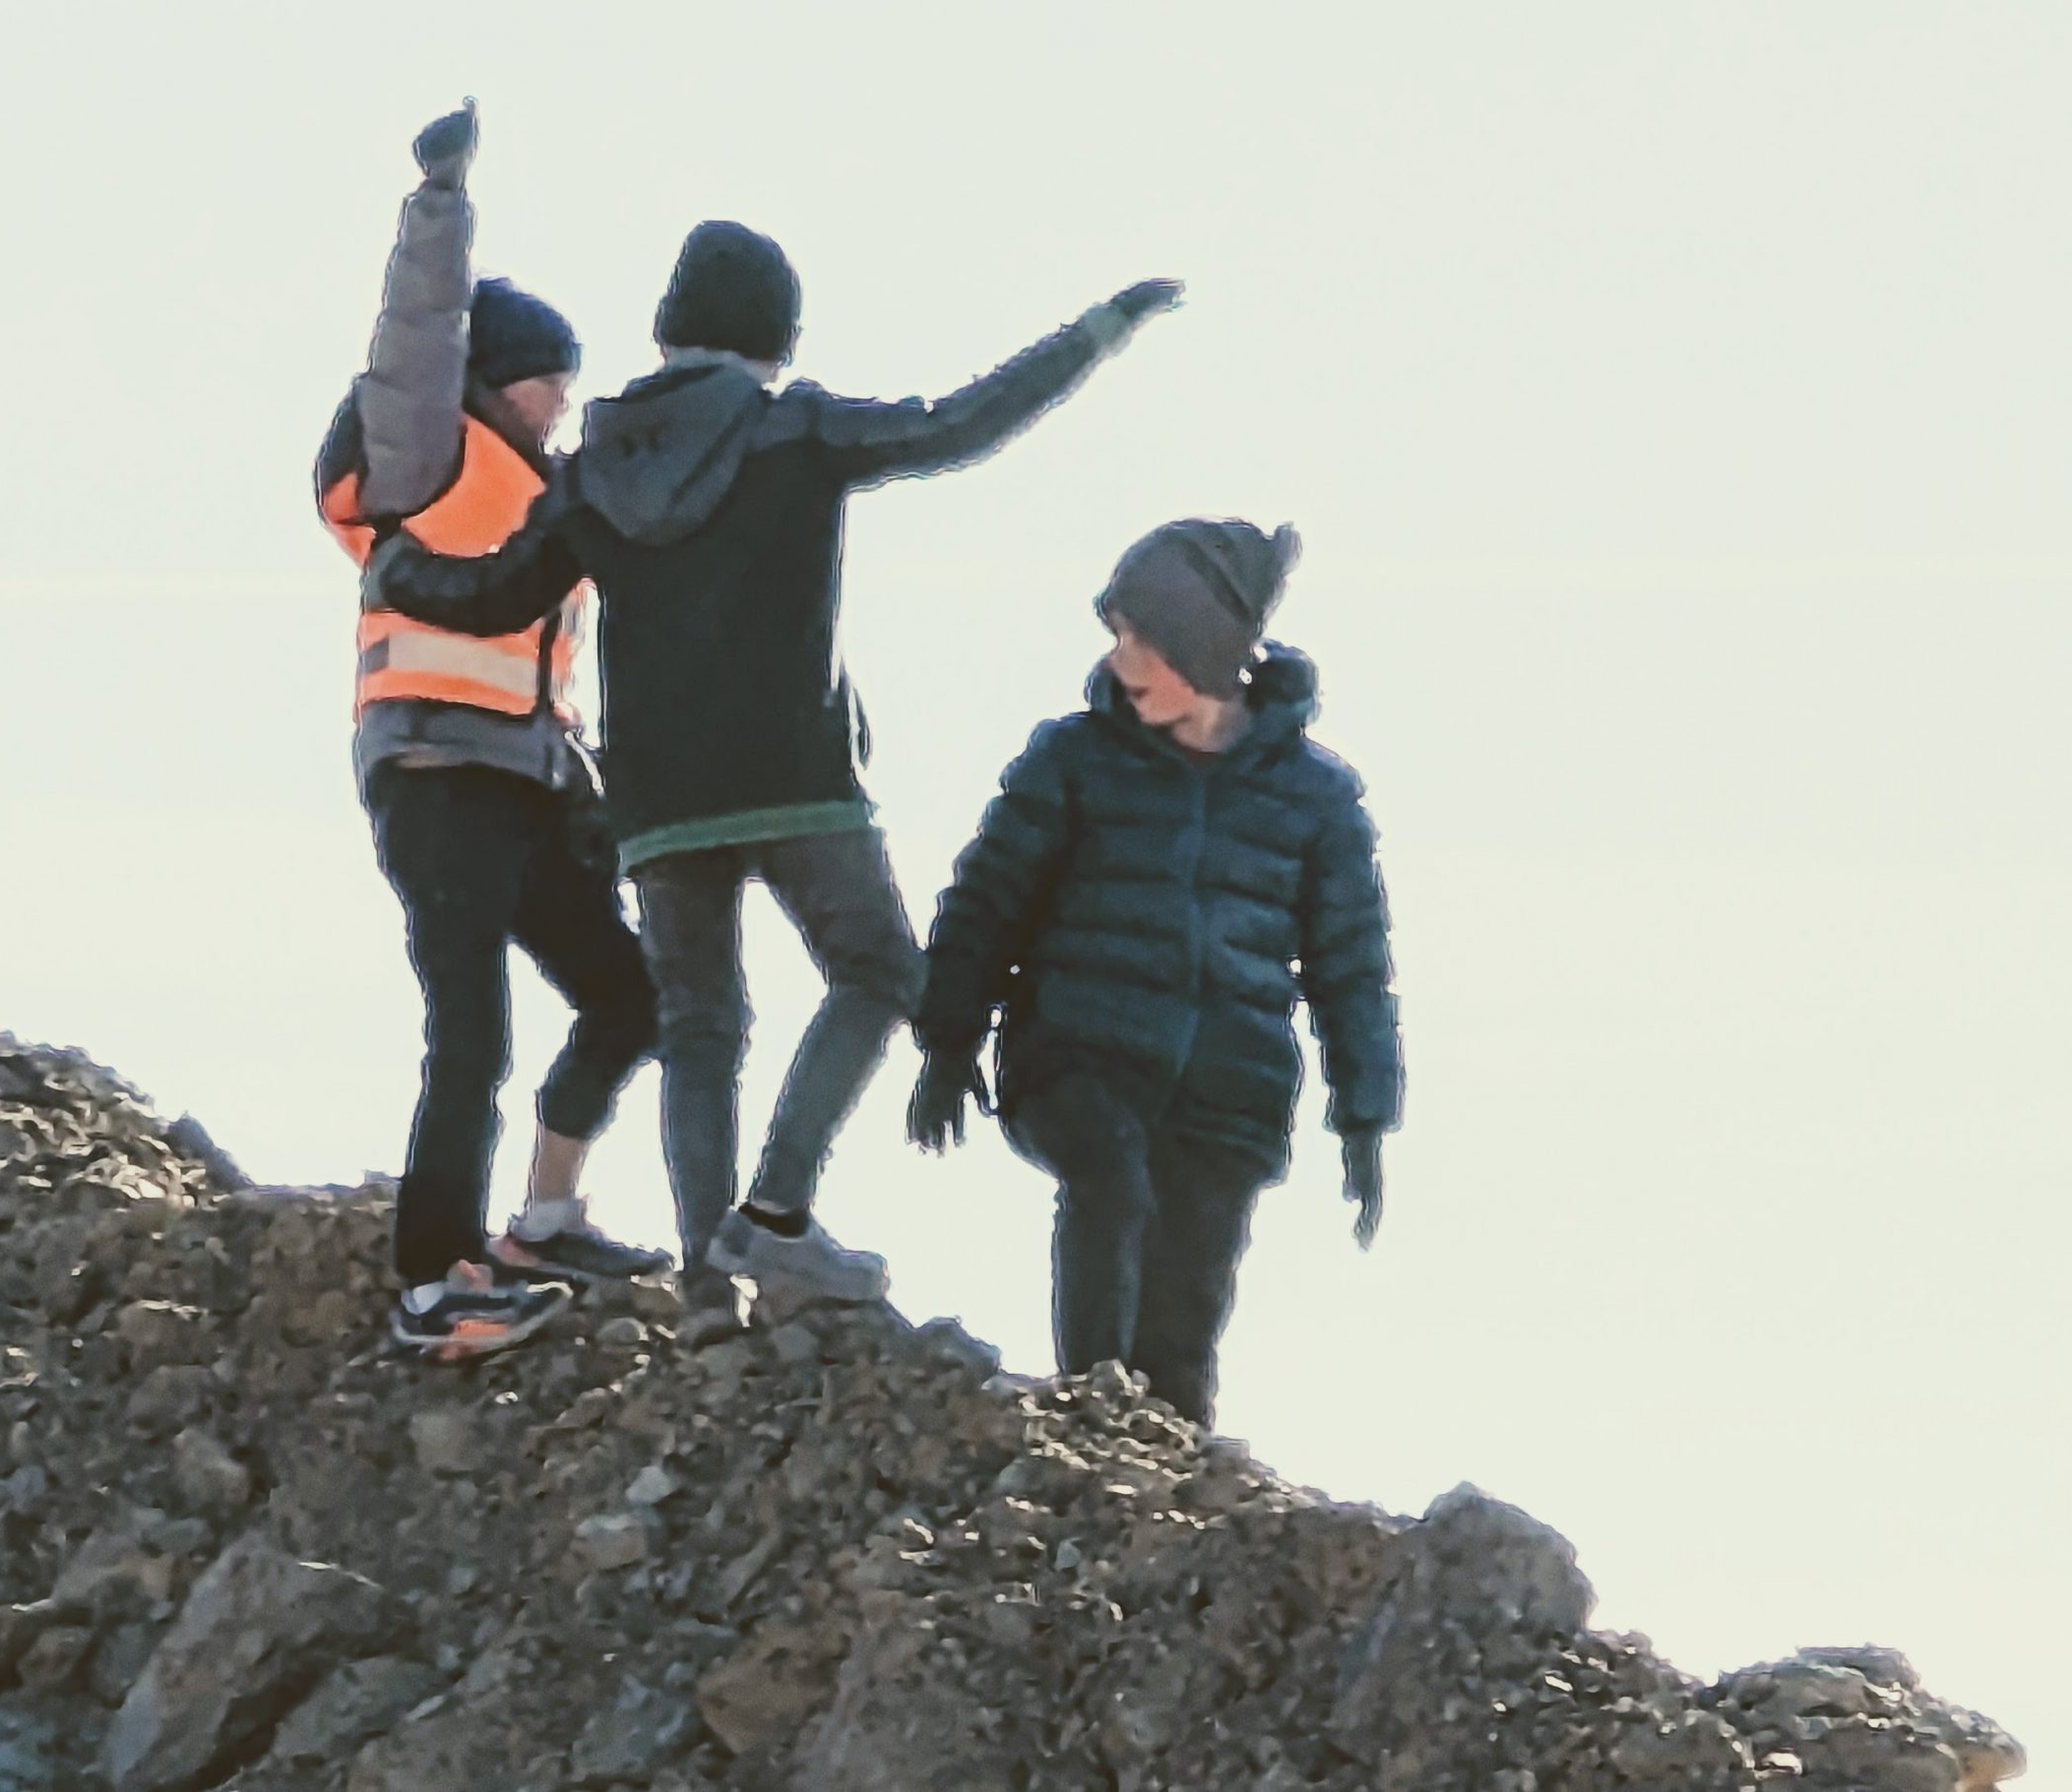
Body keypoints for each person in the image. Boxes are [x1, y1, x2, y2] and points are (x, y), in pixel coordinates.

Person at [361, 217, 1182, 1306]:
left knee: (701, 1026)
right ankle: (775, 1211)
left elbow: (491, 593)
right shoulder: (795, 430)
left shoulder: (597, 469)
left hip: (657, 800)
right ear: (770, 337)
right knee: (880, 970)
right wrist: (1097, 331)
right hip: (793, 774)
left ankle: (711, 1282)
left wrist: (400, 557)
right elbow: (959, 425)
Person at [907, 519, 1402, 1428]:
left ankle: (1160, 1497)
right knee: (1112, 1185)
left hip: (1230, 1086)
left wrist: (1365, 1116)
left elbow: (1352, 965)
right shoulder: (1073, 757)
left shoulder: (1316, 798)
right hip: (1077, 1052)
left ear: (1204, 651)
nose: (1123, 660)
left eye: (1143, 638)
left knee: (1183, 1324)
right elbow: (986, 900)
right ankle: (1089, 1417)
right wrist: (947, 1040)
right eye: (1118, 636)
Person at [315, 101, 664, 1362]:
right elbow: (414, 334)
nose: (560, 402)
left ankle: (542, 1224)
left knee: (632, 999)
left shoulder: (549, 497)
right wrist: (440, 201)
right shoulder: (429, 450)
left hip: (528, 789)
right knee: (470, 1031)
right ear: (489, 380)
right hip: (434, 777)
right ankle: (430, 1281)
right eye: (544, 380)